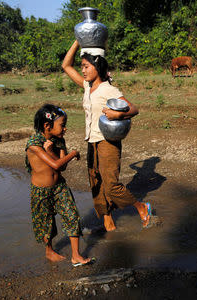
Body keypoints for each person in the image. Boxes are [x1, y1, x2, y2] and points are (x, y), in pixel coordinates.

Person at [62, 40, 151, 231]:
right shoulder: (87, 87)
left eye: (86, 66)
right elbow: (65, 65)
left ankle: (141, 206)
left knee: (111, 185)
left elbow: (134, 109)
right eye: (82, 67)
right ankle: (107, 218)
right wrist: (78, 40)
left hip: (107, 142)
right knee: (96, 182)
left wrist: (118, 114)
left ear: (97, 66)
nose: (83, 71)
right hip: (91, 142)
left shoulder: (108, 90)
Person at [25, 104, 92, 266]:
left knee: (71, 215)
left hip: (59, 187)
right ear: (47, 126)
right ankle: (49, 251)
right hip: (41, 191)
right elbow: (55, 165)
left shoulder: (59, 140)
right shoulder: (34, 144)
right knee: (45, 222)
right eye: (62, 125)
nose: (65, 129)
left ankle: (76, 255)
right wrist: (73, 154)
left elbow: (62, 167)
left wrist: (54, 151)